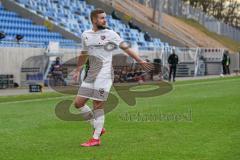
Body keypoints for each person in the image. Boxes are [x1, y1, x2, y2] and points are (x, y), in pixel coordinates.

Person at [72, 8, 153, 147]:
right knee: (78, 103)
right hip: (91, 74)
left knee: (97, 104)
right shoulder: (85, 35)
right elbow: (84, 53)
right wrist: (78, 69)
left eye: (105, 17)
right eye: (102, 18)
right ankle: (98, 127)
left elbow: (126, 48)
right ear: (94, 20)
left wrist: (140, 61)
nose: (105, 20)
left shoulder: (111, 34)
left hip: (104, 74)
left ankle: (96, 138)